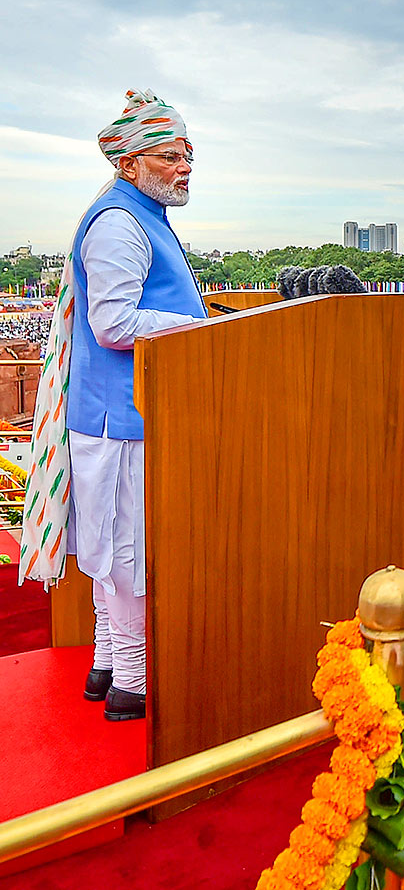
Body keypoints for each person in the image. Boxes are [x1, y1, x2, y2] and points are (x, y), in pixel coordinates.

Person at [63, 90, 206, 721]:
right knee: (124, 551)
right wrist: (201, 331)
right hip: (121, 417)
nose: (185, 167)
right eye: (170, 157)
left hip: (123, 414)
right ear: (130, 164)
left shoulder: (140, 214)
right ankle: (132, 678)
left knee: (110, 547)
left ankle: (107, 664)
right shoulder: (121, 221)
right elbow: (113, 322)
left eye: (187, 156)